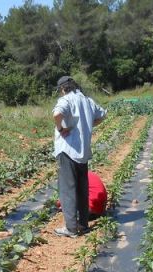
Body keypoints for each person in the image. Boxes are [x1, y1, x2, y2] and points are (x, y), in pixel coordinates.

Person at [52, 76, 107, 237]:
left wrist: (61, 128)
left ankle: (70, 228)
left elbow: (57, 114)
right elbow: (102, 115)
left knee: (67, 190)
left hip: (68, 149)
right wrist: (88, 124)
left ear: (63, 89)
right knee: (82, 189)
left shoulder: (67, 99)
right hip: (83, 151)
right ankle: (83, 225)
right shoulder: (87, 100)